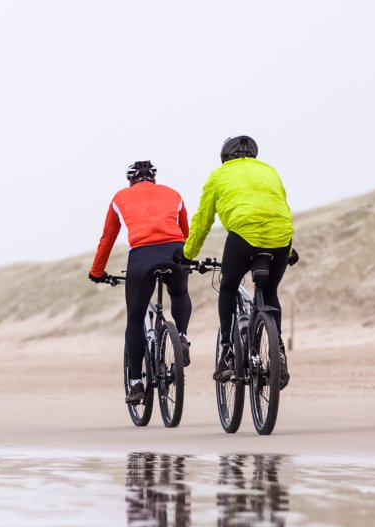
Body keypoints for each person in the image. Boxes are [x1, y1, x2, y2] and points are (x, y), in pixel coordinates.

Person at [180, 136, 298, 386]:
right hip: (281, 238)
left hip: (243, 237)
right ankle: (278, 351)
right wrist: (289, 250)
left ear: (224, 156)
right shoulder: (269, 171)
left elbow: (203, 220)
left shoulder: (218, 175)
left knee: (228, 286)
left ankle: (227, 353)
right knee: (270, 292)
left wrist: (188, 254)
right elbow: (278, 209)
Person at [89, 160, 192, 403]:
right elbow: (186, 232)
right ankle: (183, 337)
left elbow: (108, 238)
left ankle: (135, 383)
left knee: (135, 318)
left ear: (130, 180)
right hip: (175, 251)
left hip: (142, 256)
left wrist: (97, 272)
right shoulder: (173, 193)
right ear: (153, 179)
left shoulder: (120, 197)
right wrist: (188, 260)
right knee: (179, 293)